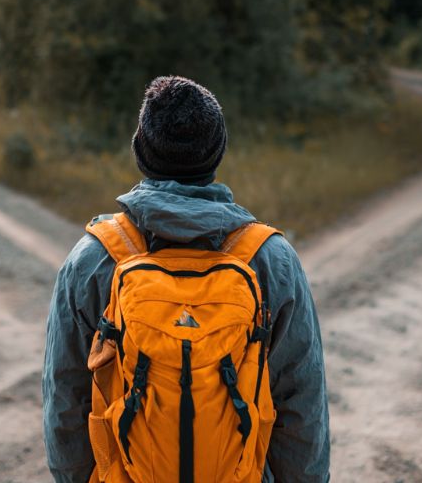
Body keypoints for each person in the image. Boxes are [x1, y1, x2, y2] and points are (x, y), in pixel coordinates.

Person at [41, 75, 330, 482]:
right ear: (218, 151)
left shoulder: (94, 258)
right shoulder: (270, 259)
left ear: (139, 150)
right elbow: (301, 403)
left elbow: (65, 398)